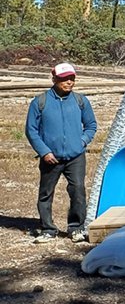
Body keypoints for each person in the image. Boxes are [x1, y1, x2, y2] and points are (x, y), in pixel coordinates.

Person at [25, 62, 97, 243]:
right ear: (54, 78)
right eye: (64, 79)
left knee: (78, 190)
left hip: (76, 156)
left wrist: (81, 142)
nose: (69, 82)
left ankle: (76, 228)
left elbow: (91, 126)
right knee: (46, 193)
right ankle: (48, 229)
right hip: (51, 158)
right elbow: (31, 130)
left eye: (72, 78)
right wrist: (44, 152)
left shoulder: (81, 101)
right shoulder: (40, 102)